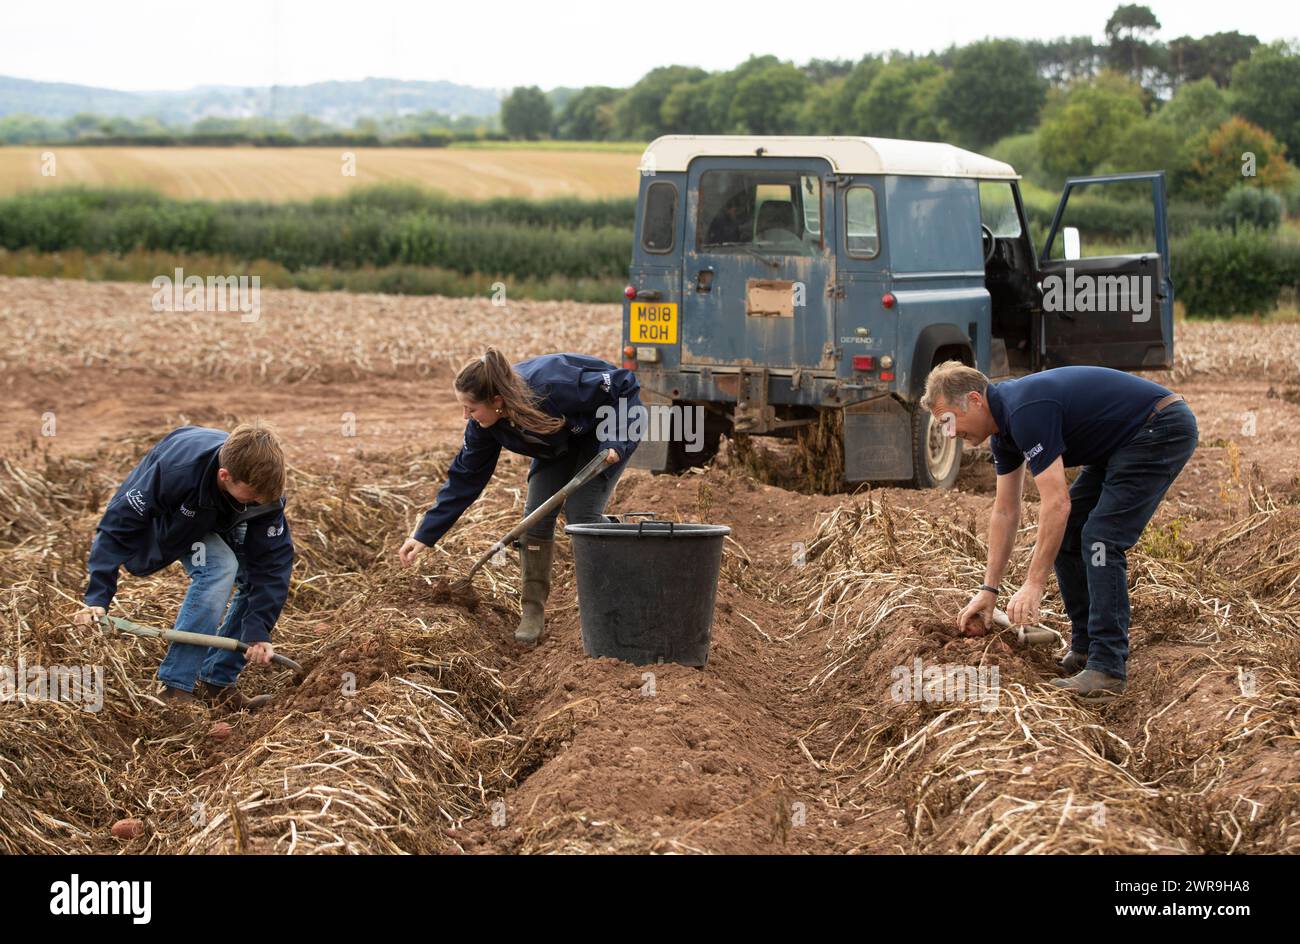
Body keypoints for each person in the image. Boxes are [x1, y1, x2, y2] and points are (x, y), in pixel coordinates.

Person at [921, 362, 1198, 698]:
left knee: (1100, 539)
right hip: (1120, 443)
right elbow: (1006, 511)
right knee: (1071, 535)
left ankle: (1108, 667)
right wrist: (988, 590)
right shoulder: (1004, 433)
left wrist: (1034, 584)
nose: (949, 434)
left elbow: (1057, 503)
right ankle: (1084, 650)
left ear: (976, 400)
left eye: (949, 420)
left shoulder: (1025, 411)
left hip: (1157, 426)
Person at [399, 348, 642, 645]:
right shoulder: (484, 427)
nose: (466, 416)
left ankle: (610, 605)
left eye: (470, 408)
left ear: (497, 401)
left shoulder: (551, 384)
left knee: (582, 515)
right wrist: (425, 533)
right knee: (535, 520)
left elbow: (624, 384)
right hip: (557, 447)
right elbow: (466, 478)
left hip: (603, 436)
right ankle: (532, 613)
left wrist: (616, 439)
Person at [73, 422, 294, 709]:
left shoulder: (264, 496)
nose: (259, 503)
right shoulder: (176, 471)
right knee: (220, 567)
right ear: (224, 475)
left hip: (227, 514)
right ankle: (176, 690)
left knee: (253, 575)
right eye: (252, 497)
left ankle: (217, 681)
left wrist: (258, 632)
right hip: (177, 517)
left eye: (262, 499)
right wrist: (97, 598)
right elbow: (117, 528)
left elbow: (272, 565)